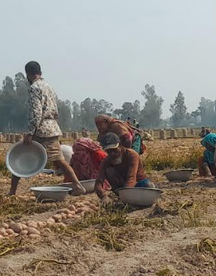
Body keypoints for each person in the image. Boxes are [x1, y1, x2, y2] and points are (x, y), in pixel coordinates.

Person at [8, 61, 85, 196]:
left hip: (41, 129)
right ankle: (78, 185)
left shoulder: (34, 88)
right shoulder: (49, 87)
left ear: (28, 74)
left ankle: (12, 191)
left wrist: (30, 132)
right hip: (52, 128)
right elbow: (55, 110)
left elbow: (36, 112)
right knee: (59, 159)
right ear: (40, 72)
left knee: (19, 156)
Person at [94, 133, 154, 205]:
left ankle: (125, 197)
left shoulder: (131, 155)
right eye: (109, 152)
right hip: (120, 189)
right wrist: (103, 196)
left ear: (120, 145)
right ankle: (122, 196)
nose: (113, 154)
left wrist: (124, 196)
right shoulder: (106, 161)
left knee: (148, 185)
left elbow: (131, 178)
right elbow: (98, 182)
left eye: (115, 150)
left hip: (138, 185)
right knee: (109, 170)